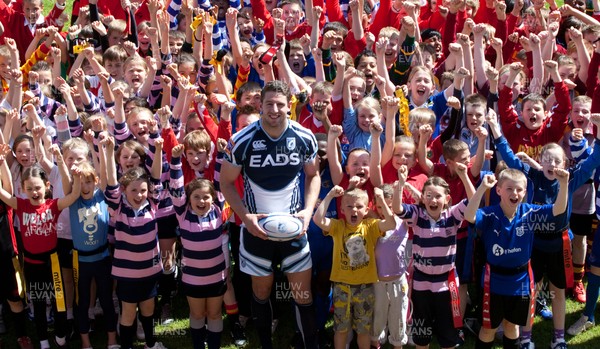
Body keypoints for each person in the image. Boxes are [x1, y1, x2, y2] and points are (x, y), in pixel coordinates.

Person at [220, 80, 320, 349]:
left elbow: (313, 176)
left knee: (302, 294)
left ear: (289, 107)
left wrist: (308, 213)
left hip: (295, 230)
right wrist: (245, 217)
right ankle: (265, 345)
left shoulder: (304, 137)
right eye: (269, 104)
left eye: (280, 104)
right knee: (261, 292)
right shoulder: (240, 140)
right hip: (256, 231)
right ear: (259, 105)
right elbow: (226, 182)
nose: (274, 110)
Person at [464, 169, 570, 349]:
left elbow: (558, 210)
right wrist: (482, 188)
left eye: (519, 190)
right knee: (488, 328)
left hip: (520, 282)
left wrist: (564, 183)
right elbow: (469, 215)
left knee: (512, 325)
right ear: (498, 190)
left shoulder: (529, 212)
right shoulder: (490, 214)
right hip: (493, 282)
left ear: (525, 192)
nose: (515, 193)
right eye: (509, 189)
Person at [313, 186, 396, 349]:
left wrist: (380, 201)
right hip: (341, 287)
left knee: (363, 331)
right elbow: (318, 219)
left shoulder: (371, 226)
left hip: (365, 287)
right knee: (341, 329)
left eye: (359, 206)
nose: (354, 210)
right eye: (349, 206)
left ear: (366, 210)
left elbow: (391, 223)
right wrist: (330, 195)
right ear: (342, 209)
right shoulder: (338, 226)